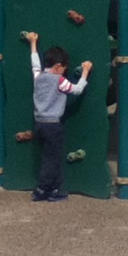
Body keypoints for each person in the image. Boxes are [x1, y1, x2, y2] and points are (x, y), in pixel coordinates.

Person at [25, 32, 92, 202]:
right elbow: (76, 90)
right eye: (64, 67)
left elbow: (34, 64)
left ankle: (55, 189)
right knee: (51, 159)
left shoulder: (38, 77)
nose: (65, 70)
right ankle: (42, 189)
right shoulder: (59, 80)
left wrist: (33, 43)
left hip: (39, 124)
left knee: (50, 157)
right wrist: (85, 72)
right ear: (57, 66)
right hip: (53, 125)